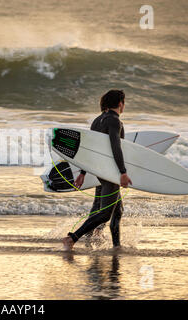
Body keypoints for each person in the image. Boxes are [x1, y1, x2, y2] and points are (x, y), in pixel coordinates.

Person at [63, 90, 132, 250]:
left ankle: (116, 245)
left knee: (118, 210)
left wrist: (82, 173)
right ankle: (73, 237)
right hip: (110, 172)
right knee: (106, 213)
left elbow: (88, 149)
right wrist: (122, 172)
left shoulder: (96, 121)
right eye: (124, 103)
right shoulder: (115, 121)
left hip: (99, 170)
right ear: (120, 103)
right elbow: (116, 146)